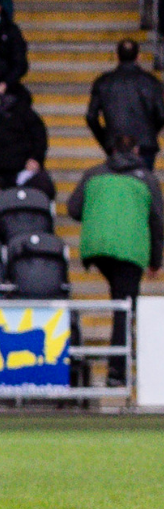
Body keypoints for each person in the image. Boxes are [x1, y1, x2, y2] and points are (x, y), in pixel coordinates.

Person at [68, 134, 164, 386]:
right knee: (125, 306)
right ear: (136, 149)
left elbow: (73, 209)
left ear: (110, 149)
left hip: (97, 247)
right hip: (130, 250)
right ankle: (117, 371)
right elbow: (158, 222)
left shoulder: (93, 174)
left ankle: (119, 362)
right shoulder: (147, 178)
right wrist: (156, 260)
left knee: (119, 297)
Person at [86, 39, 164, 168]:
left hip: (115, 143)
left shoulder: (104, 81)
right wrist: (150, 132)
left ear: (116, 56)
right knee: (144, 183)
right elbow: (161, 115)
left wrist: (105, 139)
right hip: (145, 145)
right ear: (139, 56)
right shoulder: (151, 81)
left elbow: (91, 116)